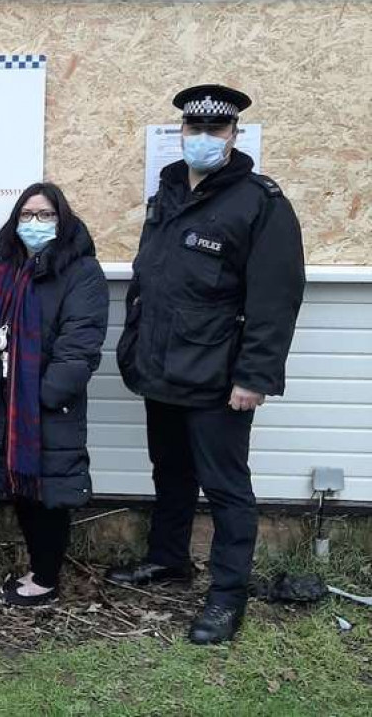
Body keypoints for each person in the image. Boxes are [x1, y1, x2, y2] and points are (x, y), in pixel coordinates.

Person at [109, 85, 305, 644]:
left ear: (234, 136)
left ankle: (226, 597)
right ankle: (169, 559)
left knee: (226, 487)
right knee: (170, 472)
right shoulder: (167, 192)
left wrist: (255, 377)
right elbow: (154, 281)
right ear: (181, 134)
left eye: (215, 131)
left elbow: (276, 298)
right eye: (193, 130)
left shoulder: (259, 203)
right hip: (162, 368)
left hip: (219, 378)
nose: (202, 139)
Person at [0, 184, 108, 607]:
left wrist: (44, 395)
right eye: (27, 214)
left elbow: (80, 343)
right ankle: (40, 569)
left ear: (63, 220)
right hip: (1, 402)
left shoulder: (81, 272)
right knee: (21, 489)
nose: (35, 223)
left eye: (45, 215)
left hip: (44, 406)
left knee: (48, 492)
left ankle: (45, 578)